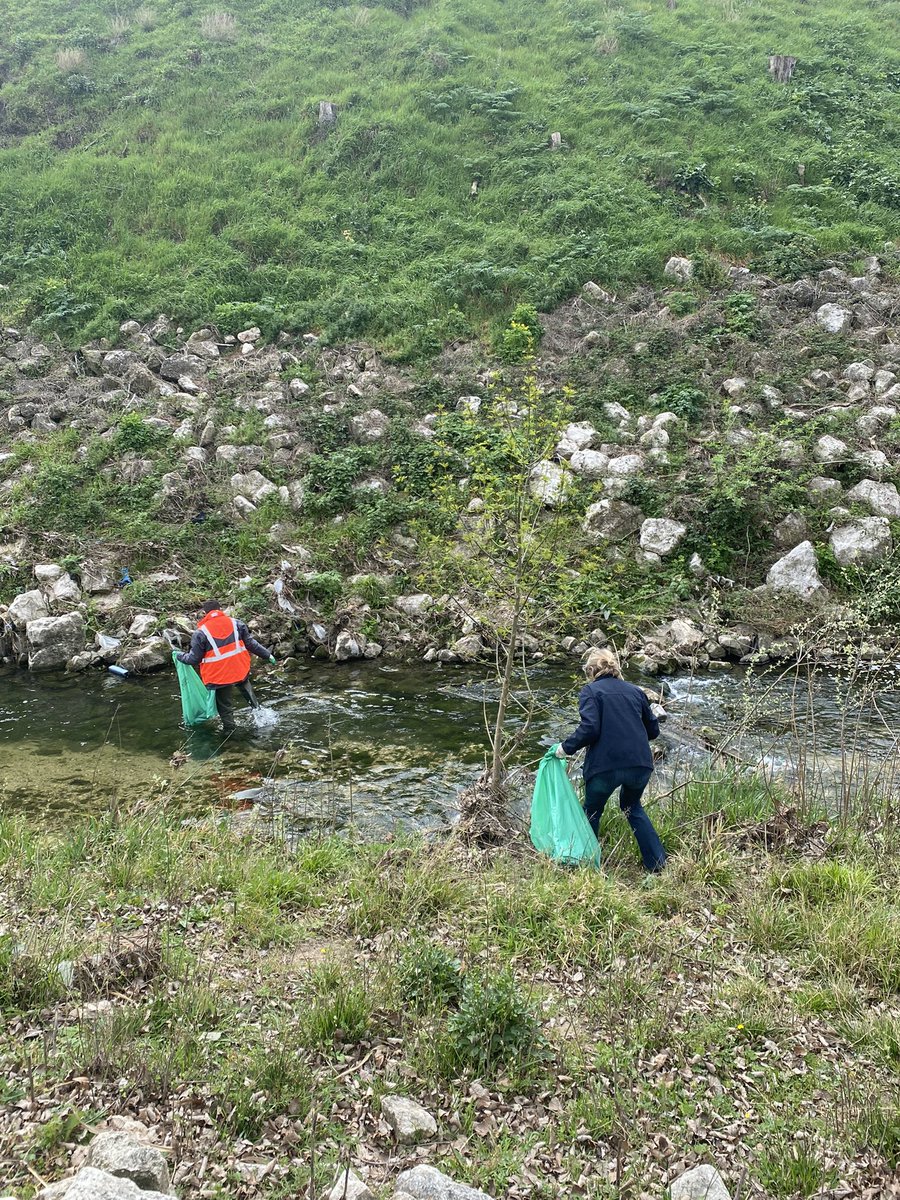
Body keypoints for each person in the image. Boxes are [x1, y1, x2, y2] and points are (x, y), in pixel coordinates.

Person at [556, 647, 667, 872]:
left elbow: (590, 728)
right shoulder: (636, 691)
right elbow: (653, 732)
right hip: (640, 764)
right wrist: (652, 714)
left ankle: (587, 866)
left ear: (591, 671)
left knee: (592, 811)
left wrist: (565, 748)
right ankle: (657, 865)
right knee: (632, 807)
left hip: (605, 766)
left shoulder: (590, 691)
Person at [177, 601, 275, 732]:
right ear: (220, 609)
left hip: (219, 677)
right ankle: (261, 717)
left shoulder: (200, 633)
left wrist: (179, 656)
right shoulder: (237, 624)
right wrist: (267, 655)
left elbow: (194, 659)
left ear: (205, 613)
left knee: (225, 707)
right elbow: (251, 644)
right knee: (249, 695)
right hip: (239, 670)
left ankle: (230, 732)